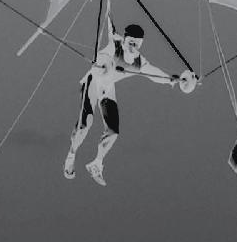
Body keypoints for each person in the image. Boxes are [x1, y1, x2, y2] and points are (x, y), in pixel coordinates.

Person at [63, 14, 194, 186]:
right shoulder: (115, 45)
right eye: (131, 42)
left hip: (107, 89)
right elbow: (103, 54)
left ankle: (96, 164)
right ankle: (71, 156)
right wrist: (101, 65)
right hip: (93, 81)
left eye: (137, 44)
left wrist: (173, 79)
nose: (133, 47)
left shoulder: (139, 62)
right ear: (125, 39)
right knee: (84, 125)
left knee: (113, 132)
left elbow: (154, 73)